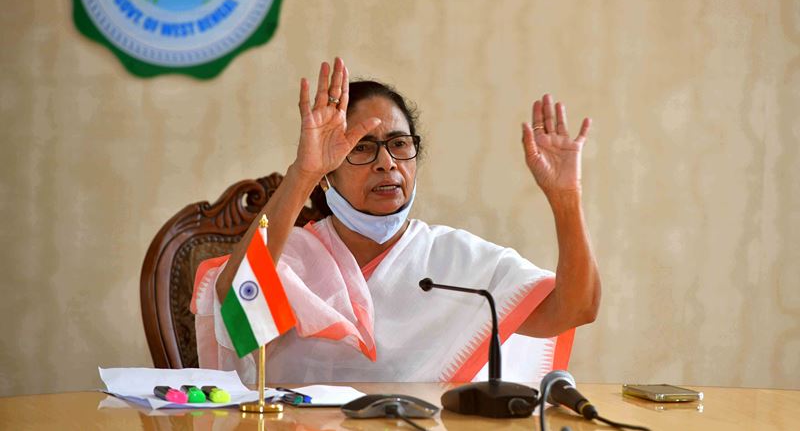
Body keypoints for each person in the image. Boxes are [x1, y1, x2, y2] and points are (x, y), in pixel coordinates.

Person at [191, 57, 600, 384]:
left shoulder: (456, 260)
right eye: (361, 147)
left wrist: (566, 199)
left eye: (399, 144)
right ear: (328, 173)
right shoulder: (291, 257)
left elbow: (575, 309)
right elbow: (239, 318)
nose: (386, 163)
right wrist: (304, 173)